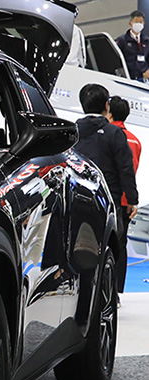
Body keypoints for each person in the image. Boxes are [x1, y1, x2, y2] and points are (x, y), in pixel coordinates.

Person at [74, 84, 139, 296]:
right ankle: (109, 294)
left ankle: (79, 291)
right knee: (111, 246)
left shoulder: (72, 131)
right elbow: (125, 169)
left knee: (76, 245)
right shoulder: (114, 133)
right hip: (108, 200)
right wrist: (132, 199)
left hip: (77, 198)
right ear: (106, 105)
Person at [116, 11, 149, 82]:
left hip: (144, 78)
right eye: (136, 22)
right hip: (129, 78)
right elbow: (117, 59)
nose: (139, 24)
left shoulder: (146, 41)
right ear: (130, 24)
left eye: (141, 22)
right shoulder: (122, 40)